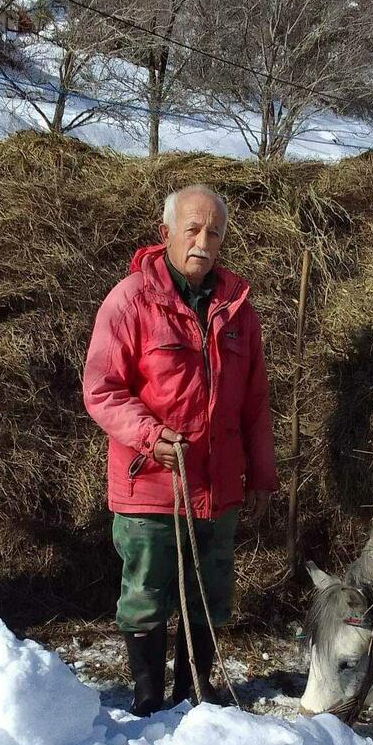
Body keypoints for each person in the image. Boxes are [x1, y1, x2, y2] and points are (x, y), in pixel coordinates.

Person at [83, 184, 278, 715]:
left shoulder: (238, 309)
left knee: (210, 592)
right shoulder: (130, 300)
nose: (202, 240)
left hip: (217, 485)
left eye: (213, 232)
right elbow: (101, 389)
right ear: (165, 232)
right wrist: (150, 434)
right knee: (146, 590)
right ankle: (148, 694)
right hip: (150, 479)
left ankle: (195, 685)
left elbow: (254, 401)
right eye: (192, 229)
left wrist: (262, 474)